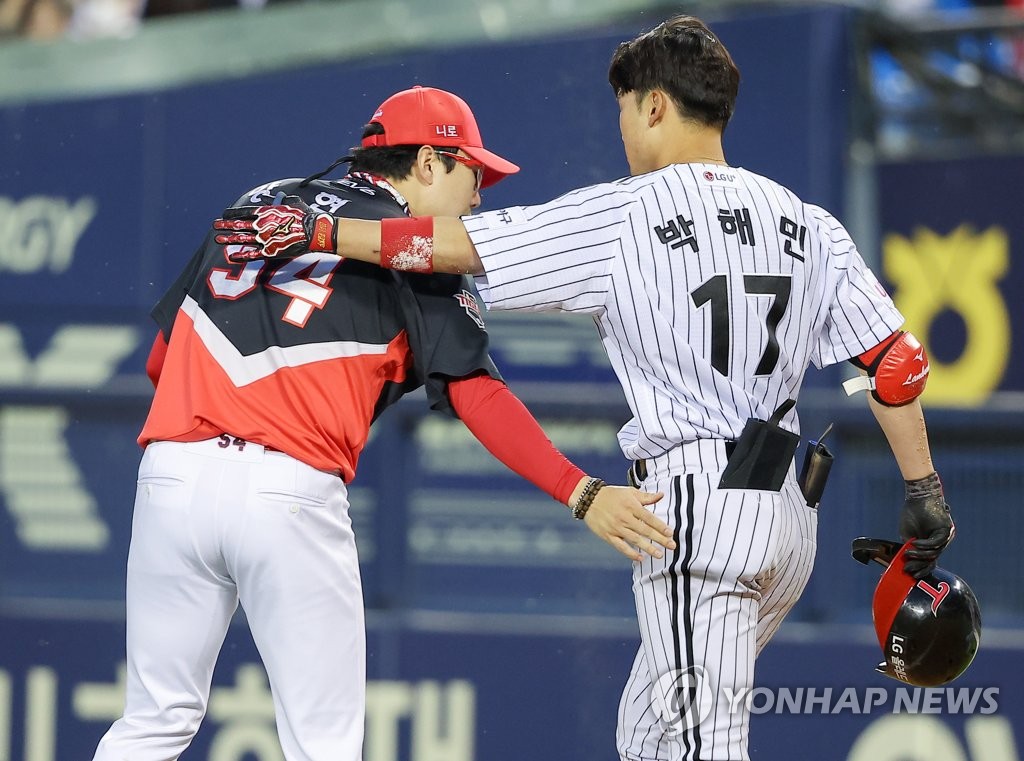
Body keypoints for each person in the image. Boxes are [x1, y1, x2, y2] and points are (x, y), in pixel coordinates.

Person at [214, 16, 956, 761]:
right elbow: (895, 365)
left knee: (704, 746)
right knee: (646, 735)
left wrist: (319, 234)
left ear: (657, 106)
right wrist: (924, 490)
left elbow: (447, 245)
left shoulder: (626, 212)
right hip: (788, 521)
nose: (625, 128)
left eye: (627, 108)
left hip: (697, 508)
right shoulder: (809, 223)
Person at [93, 85, 675, 761]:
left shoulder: (262, 201)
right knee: (324, 745)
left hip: (173, 475)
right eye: (473, 173)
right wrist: (580, 490)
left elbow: (161, 359)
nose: (479, 195)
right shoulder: (413, 252)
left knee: (152, 721)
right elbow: (476, 394)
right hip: (287, 490)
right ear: (428, 162)